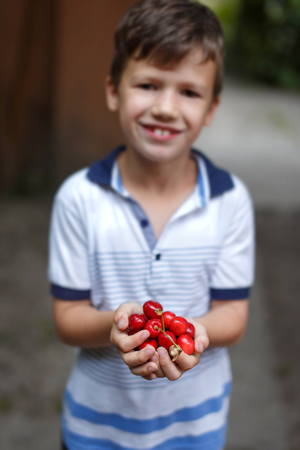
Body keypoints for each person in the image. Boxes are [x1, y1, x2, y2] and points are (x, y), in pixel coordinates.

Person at [48, 0, 255, 449]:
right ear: (112, 90)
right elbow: (66, 319)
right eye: (147, 84)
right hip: (95, 428)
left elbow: (233, 316)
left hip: (194, 428)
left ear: (212, 108)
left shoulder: (230, 200)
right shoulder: (78, 199)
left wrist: (193, 334)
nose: (165, 107)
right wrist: (113, 324)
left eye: (189, 92)